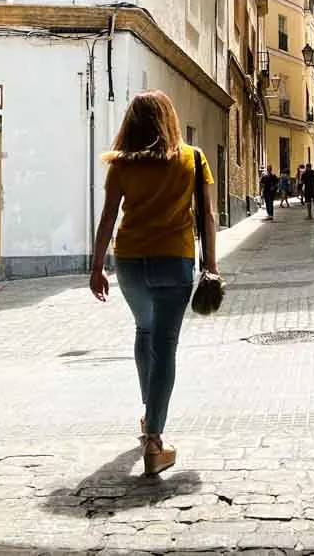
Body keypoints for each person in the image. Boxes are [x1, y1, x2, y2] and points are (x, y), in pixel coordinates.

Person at [90, 91, 218, 477]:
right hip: (173, 262)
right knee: (165, 344)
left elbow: (108, 218)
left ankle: (149, 417)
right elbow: (208, 215)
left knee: (144, 330)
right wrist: (211, 265)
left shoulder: (121, 164)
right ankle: (155, 440)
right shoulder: (193, 159)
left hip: (129, 261)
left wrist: (97, 266)